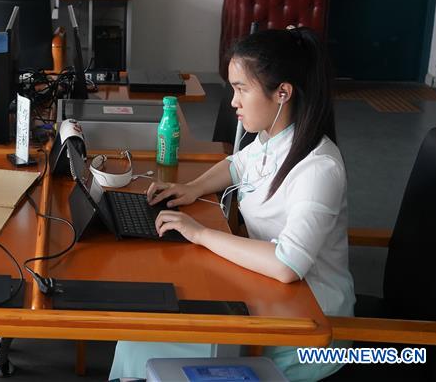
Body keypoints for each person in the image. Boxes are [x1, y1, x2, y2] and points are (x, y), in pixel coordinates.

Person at [110, 27, 355, 382]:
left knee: (144, 344)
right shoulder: (275, 138)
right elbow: (236, 164)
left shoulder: (319, 167)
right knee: (137, 339)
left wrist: (200, 234)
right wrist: (192, 188)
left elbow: (287, 264)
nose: (233, 102)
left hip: (306, 330)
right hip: (267, 296)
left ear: (283, 93)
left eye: (241, 89)